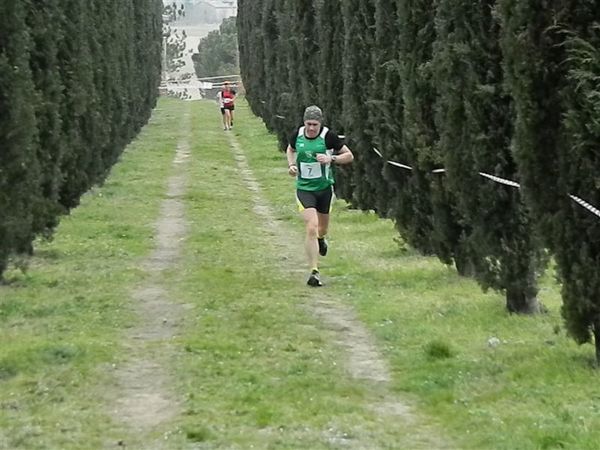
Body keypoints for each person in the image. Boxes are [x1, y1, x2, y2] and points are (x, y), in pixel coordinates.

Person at [286, 105, 354, 287]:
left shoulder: (328, 137)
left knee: (322, 229)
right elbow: (290, 149)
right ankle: (314, 271)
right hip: (304, 189)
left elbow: (349, 155)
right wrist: (291, 165)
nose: (311, 128)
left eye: (314, 124)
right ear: (304, 122)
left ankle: (321, 239)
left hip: (324, 189)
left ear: (320, 123)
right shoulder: (297, 135)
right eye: (308, 124)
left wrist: (331, 159)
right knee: (311, 226)